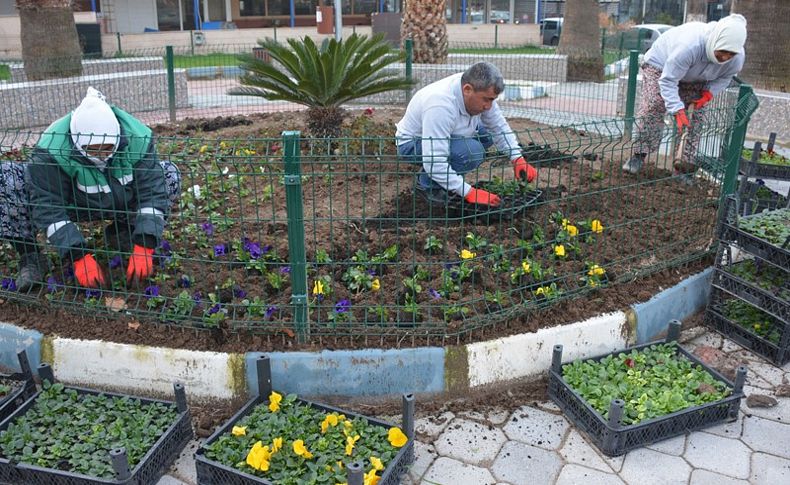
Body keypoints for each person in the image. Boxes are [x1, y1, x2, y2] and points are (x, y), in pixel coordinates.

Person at [0, 87, 181, 291]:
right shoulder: (51, 149)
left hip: (119, 199)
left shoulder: (136, 138)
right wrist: (78, 257)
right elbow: (48, 206)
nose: (102, 155)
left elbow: (152, 191)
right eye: (93, 149)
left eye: (108, 148)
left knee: (168, 176)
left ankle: (124, 230)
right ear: (78, 142)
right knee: (7, 179)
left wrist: (145, 244)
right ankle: (30, 255)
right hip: (73, 203)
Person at [395, 62, 537, 207]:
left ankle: (448, 177)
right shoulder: (440, 105)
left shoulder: (476, 89)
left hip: (449, 135)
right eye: (486, 99)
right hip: (413, 144)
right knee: (471, 151)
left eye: (492, 100)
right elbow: (434, 160)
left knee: (486, 134)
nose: (489, 106)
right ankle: (428, 186)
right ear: (467, 89)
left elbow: (497, 125)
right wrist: (468, 192)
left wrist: (517, 158)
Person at [622, 14, 747, 174]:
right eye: (722, 51)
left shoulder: (736, 59)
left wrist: (709, 93)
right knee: (656, 103)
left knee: (696, 117)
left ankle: (683, 166)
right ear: (715, 41)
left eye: (731, 54)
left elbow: (725, 77)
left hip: (696, 77)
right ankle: (639, 154)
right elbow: (667, 81)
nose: (725, 57)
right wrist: (677, 109)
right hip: (660, 66)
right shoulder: (690, 46)